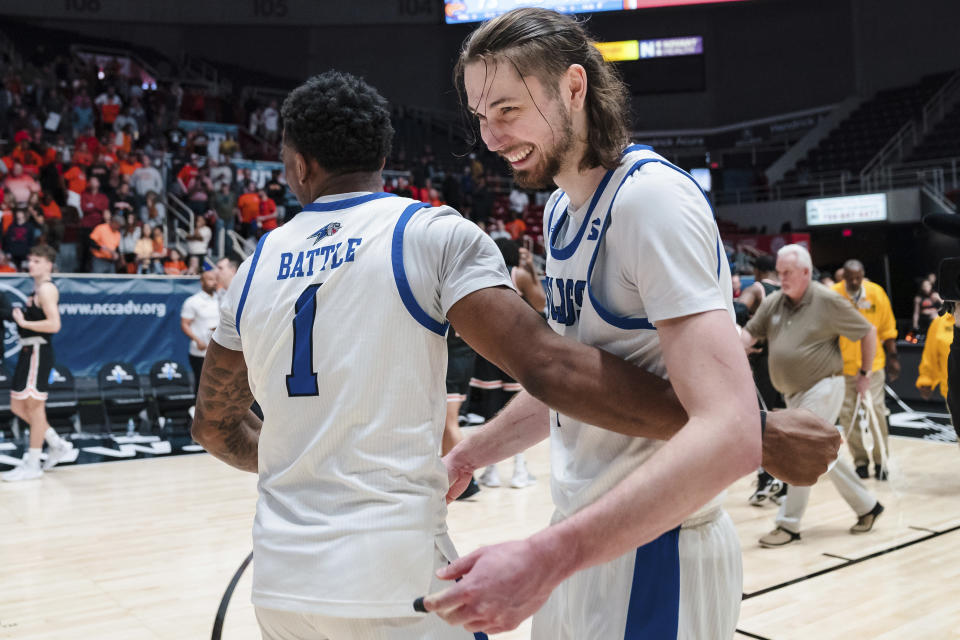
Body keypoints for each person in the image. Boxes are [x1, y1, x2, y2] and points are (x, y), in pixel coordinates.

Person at [192, 70, 838, 640]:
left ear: (298, 164)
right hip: (391, 575)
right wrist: (753, 431)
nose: (492, 134)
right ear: (383, 157)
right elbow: (551, 365)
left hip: (280, 584)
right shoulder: (429, 233)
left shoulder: (253, 266)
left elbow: (213, 425)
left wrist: (308, 458)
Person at [427, 10, 829, 638]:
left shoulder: (650, 202)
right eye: (480, 116)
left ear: (574, 88)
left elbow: (729, 430)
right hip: (584, 537)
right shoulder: (561, 208)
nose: (490, 137)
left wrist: (546, 555)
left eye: (506, 110)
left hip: (655, 550)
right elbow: (585, 380)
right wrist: (471, 454)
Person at [741, 245, 884, 547]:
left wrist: (864, 374)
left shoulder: (827, 300)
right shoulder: (775, 302)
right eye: (779, 273)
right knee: (823, 455)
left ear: (806, 272)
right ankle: (868, 506)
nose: (782, 279)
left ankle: (788, 525)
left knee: (799, 449)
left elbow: (868, 331)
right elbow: (748, 335)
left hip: (823, 386)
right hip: (793, 393)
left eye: (788, 273)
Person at [475, 238, 545, 489]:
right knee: (515, 412)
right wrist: (532, 272)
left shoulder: (484, 273)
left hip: (487, 348)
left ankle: (491, 471)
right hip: (515, 350)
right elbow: (540, 303)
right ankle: (519, 470)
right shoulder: (519, 274)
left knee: (490, 410)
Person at [1, 245, 73, 482]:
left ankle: (33, 462)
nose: (31, 264)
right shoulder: (37, 289)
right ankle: (55, 443)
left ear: (48, 265)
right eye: (30, 260)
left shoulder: (47, 290)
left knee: (34, 408)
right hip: (28, 350)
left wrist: (24, 322)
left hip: (38, 351)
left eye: (37, 261)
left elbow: (54, 325)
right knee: (17, 407)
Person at [832, 260, 899, 479]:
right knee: (848, 416)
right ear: (843, 276)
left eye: (857, 277)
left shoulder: (876, 293)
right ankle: (860, 461)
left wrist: (893, 358)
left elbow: (888, 328)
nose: (853, 281)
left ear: (863, 275)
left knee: (876, 412)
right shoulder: (833, 295)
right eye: (849, 277)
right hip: (843, 368)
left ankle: (881, 463)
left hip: (873, 365)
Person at [737, 254, 787, 506]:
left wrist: (743, 337)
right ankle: (784, 485)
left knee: (762, 423)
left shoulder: (758, 288)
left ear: (757, 271)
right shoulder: (787, 290)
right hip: (788, 362)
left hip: (765, 362)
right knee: (783, 421)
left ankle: (766, 480)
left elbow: (738, 309)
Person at [180, 269, 219, 394]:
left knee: (218, 385)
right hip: (200, 352)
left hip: (218, 350)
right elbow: (185, 324)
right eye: (210, 279)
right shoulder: (193, 301)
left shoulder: (221, 300)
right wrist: (197, 340)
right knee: (202, 385)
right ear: (202, 281)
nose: (214, 282)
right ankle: (198, 411)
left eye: (215, 279)